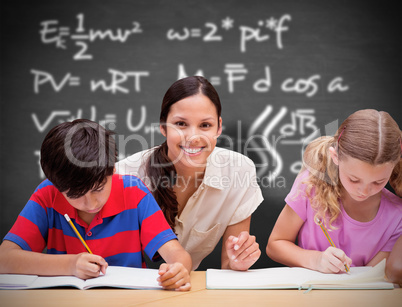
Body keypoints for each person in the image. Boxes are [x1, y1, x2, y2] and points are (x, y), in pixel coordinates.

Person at [0, 119, 192, 291]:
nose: (90, 203)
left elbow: (178, 254)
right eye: (75, 195)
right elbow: (4, 259)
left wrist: (178, 269)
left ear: (113, 170)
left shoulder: (134, 192)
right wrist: (70, 265)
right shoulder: (47, 195)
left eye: (98, 189)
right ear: (56, 185)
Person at [116, 76, 263, 270]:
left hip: (186, 288)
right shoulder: (125, 175)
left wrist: (238, 261)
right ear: (163, 127)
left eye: (205, 125)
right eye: (181, 124)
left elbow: (229, 265)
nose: (193, 137)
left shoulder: (239, 170)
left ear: (219, 127)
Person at [266, 109, 402, 274]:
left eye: (378, 182)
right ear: (335, 156)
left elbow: (371, 278)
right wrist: (315, 260)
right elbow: (275, 245)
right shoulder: (311, 184)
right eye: (353, 179)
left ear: (394, 166)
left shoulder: (397, 216)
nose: (364, 191)